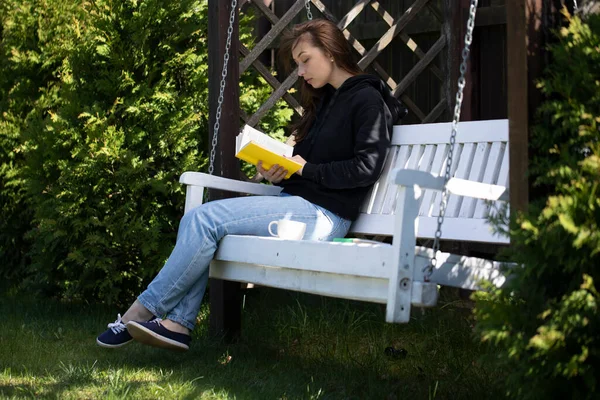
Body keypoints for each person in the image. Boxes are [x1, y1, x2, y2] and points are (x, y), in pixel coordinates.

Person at [96, 18, 406, 351]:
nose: (300, 71)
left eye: (305, 60)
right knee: (199, 222)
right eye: (297, 64)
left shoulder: (367, 100)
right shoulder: (327, 101)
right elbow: (303, 165)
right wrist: (282, 169)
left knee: (204, 219)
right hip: (298, 205)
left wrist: (306, 170)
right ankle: (177, 325)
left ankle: (141, 311)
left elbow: (365, 169)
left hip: (324, 216)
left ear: (330, 51)